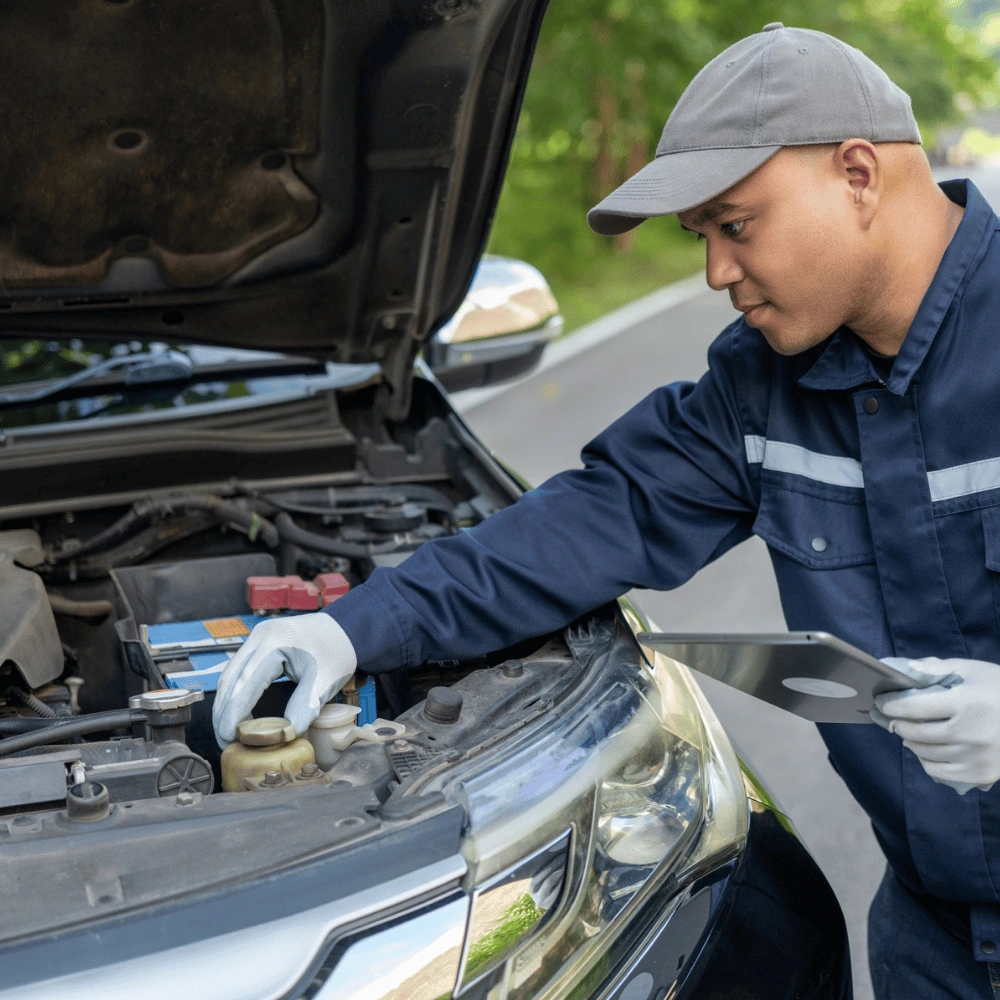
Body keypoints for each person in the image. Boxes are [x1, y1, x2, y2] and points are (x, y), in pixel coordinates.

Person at [213, 23, 1000, 1000]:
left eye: (734, 224)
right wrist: (350, 626)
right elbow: (590, 520)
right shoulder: (761, 391)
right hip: (930, 941)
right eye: (698, 237)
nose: (715, 272)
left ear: (854, 174)